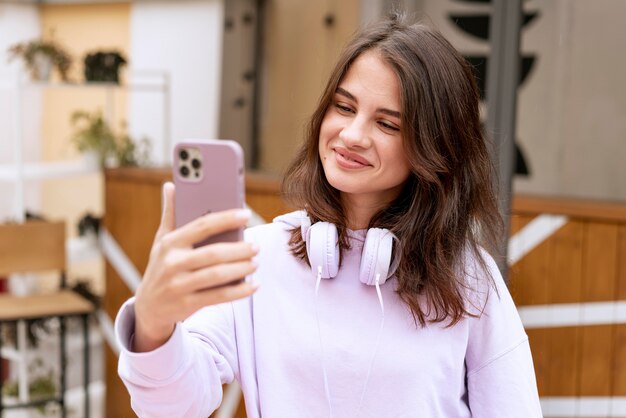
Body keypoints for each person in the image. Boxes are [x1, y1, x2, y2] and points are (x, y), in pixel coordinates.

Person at [115, 14, 543, 418]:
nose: (352, 135)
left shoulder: (470, 279)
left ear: (434, 147)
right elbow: (173, 406)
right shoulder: (257, 256)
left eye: (388, 124)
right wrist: (153, 324)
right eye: (344, 107)